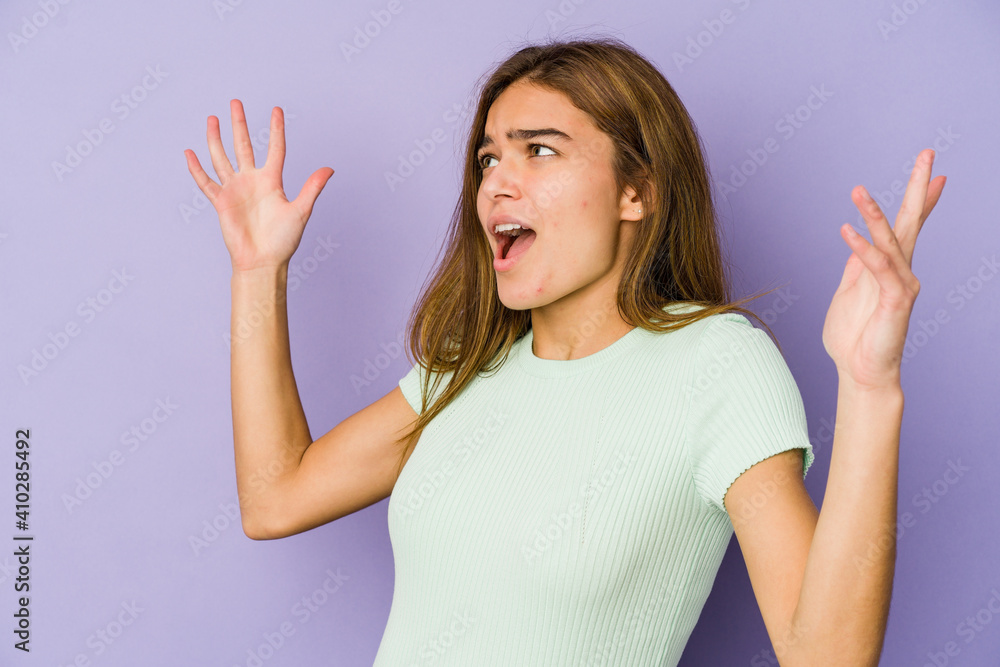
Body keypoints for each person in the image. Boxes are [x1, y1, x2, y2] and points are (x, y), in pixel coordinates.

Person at [184, 36, 946, 666]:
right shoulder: (466, 368)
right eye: (488, 160)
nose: (495, 185)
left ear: (635, 192)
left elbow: (828, 658)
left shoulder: (717, 364)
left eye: (538, 151)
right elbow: (274, 497)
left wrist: (870, 387)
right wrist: (257, 274)